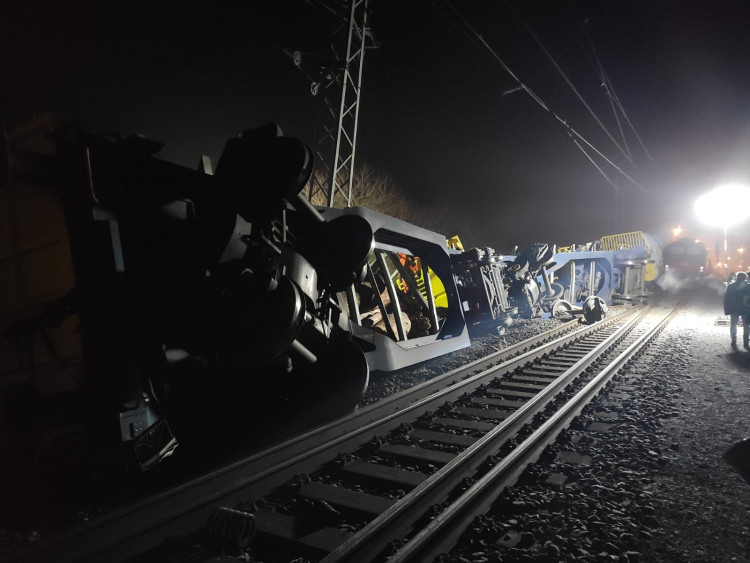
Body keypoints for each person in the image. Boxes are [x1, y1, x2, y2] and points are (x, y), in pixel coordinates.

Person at [724, 271, 750, 348]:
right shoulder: (748, 286)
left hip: (734, 308)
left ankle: (733, 340)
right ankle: (745, 342)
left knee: (733, 325)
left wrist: (726, 309)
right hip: (745, 309)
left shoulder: (731, 286)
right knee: (746, 326)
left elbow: (726, 299)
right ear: (745, 278)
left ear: (736, 277)